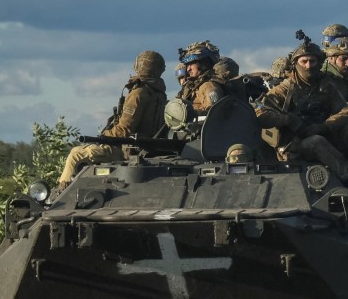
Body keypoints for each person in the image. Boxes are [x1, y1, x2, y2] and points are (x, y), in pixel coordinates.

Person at [255, 38, 348, 194]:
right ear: (296, 64)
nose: (308, 66)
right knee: (316, 142)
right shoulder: (285, 89)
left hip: (322, 134)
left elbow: (346, 111)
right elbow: (259, 112)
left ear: (319, 63)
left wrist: (325, 126)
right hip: (294, 146)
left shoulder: (325, 86)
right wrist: (288, 120)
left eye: (312, 61)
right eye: (304, 61)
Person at [58, 50, 167, 189]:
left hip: (126, 151)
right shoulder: (159, 94)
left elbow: (124, 130)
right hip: (144, 149)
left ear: (139, 66)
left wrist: (104, 136)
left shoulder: (138, 94)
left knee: (76, 154)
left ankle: (60, 192)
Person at [178, 41, 226, 113]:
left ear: (204, 63)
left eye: (191, 64)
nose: (188, 69)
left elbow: (213, 114)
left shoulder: (208, 86)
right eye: (187, 65)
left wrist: (192, 114)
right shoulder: (194, 86)